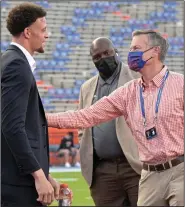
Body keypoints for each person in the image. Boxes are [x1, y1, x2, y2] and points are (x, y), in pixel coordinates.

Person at [46, 29, 184, 206]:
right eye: (131, 48)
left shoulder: (180, 84)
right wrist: (41, 116)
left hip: (179, 168)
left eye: (136, 48)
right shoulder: (128, 92)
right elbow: (86, 116)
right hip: (150, 174)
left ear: (154, 51)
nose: (131, 53)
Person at [1, 3, 60, 206]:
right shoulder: (16, 66)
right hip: (17, 185)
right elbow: (12, 127)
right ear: (27, 32)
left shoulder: (10, 61)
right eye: (43, 30)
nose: (47, 35)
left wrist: (46, 175)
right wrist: (39, 177)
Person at [77, 37, 142, 206]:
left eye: (107, 53)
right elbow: (82, 125)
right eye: (97, 56)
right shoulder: (87, 87)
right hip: (103, 172)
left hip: (135, 166)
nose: (103, 58)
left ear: (116, 52)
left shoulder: (137, 76)